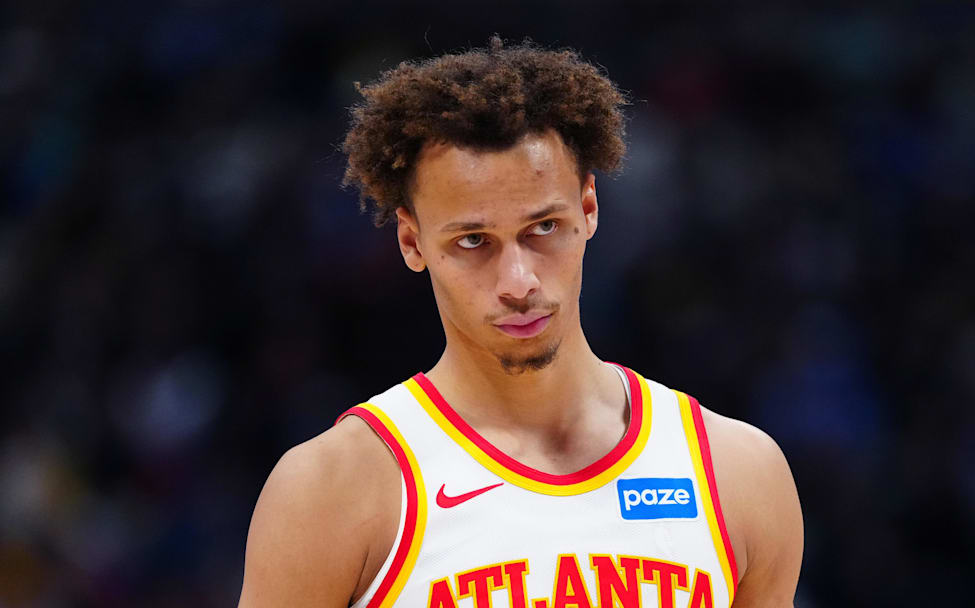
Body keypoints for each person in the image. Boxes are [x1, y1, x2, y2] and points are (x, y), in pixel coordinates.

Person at [238, 37, 802, 608]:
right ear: (412, 240)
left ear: (588, 209)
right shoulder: (333, 489)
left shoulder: (738, 473)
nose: (518, 281)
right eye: (474, 241)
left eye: (544, 228)